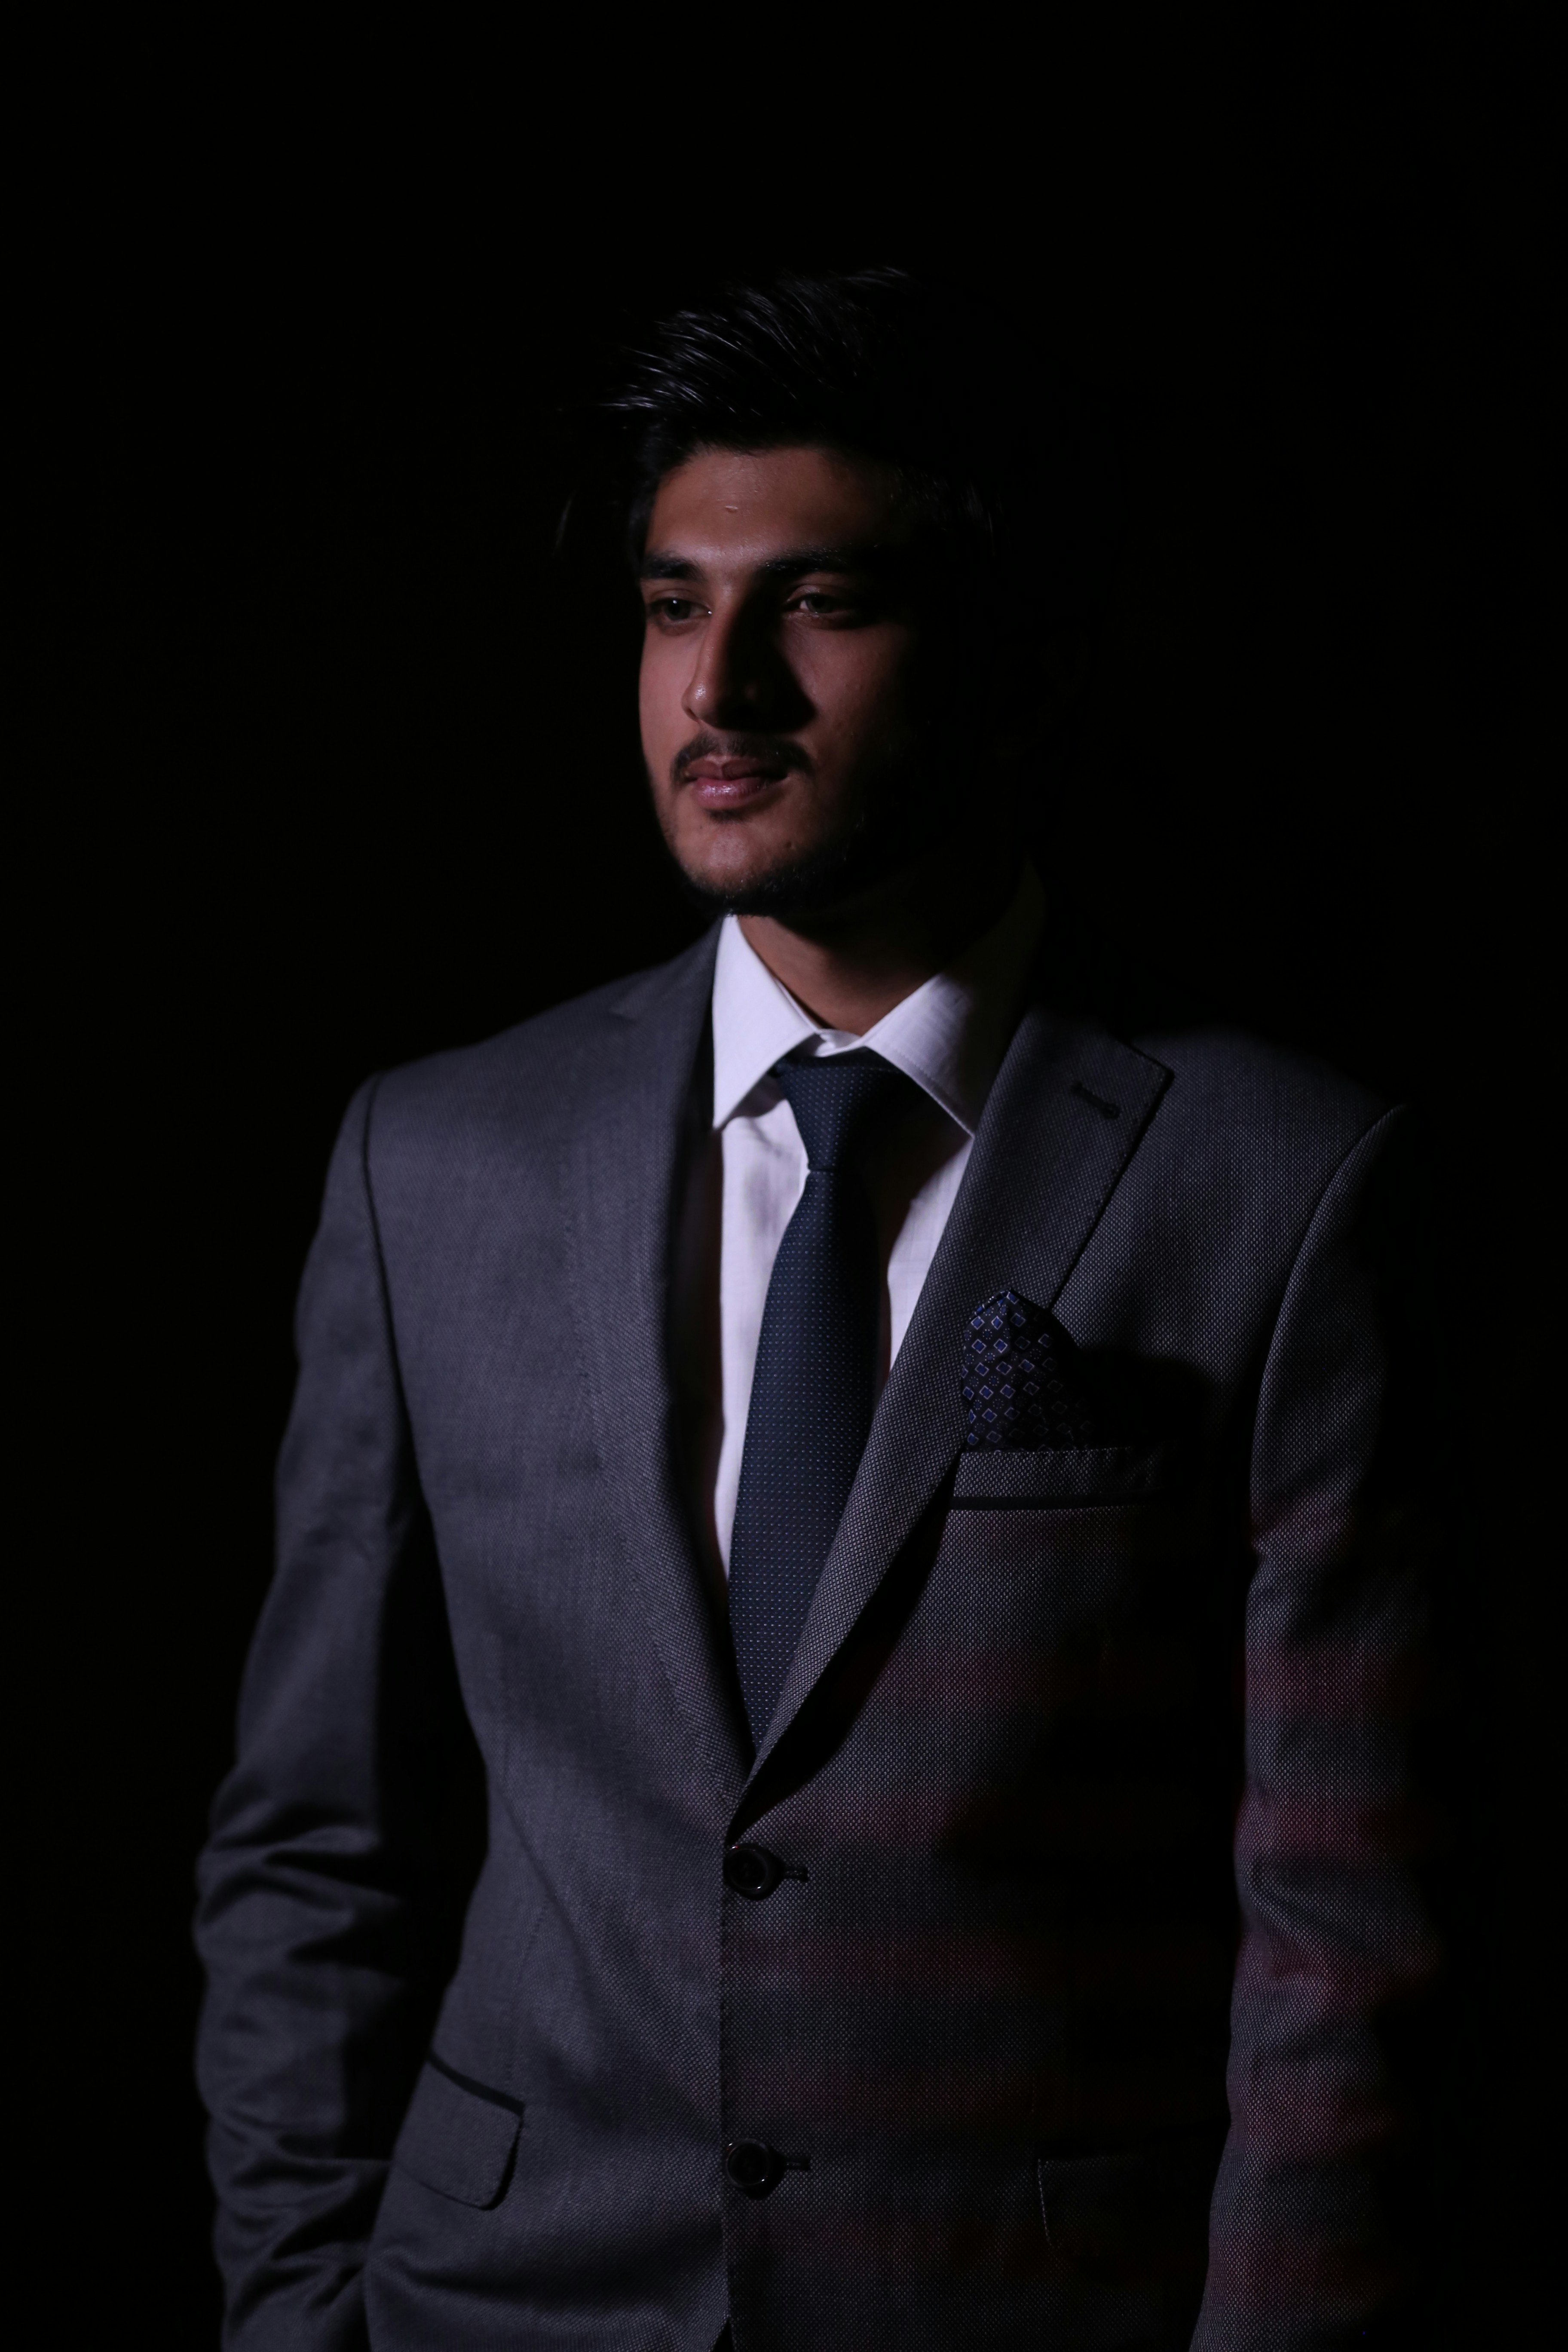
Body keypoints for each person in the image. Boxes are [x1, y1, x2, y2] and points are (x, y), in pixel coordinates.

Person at [196, 270, 1441, 2349]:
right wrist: (298, 2311)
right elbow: (318, 1843)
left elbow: (1349, 1946)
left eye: (824, 605)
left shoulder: (1290, 1187)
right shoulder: (435, 1164)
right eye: (678, 608)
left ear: (1020, 665)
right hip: (492, 2307)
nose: (724, 691)